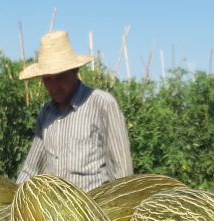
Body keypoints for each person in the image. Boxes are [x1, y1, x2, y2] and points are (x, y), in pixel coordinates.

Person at [16, 31, 133, 191]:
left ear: (75, 71)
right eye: (48, 80)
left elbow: (122, 170)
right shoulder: (46, 114)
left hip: (93, 209)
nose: (55, 86)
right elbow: (31, 168)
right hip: (55, 211)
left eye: (61, 77)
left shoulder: (102, 105)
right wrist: (12, 202)